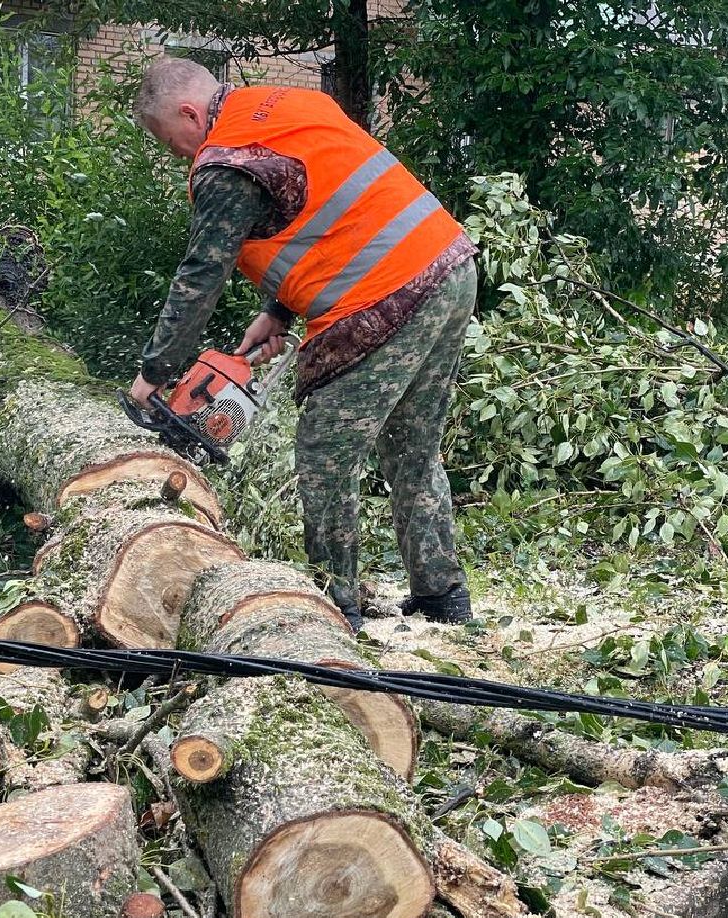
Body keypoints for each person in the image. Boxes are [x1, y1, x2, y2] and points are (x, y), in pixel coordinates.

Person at [128, 58, 477, 632]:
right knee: (413, 445)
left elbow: (200, 277)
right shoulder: (288, 105)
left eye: (175, 144)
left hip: (387, 293)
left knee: (324, 456)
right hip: (450, 263)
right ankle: (442, 598)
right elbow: (330, 213)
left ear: (190, 114)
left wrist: (154, 375)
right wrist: (276, 310)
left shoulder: (226, 161)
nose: (182, 158)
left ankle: (333, 608)